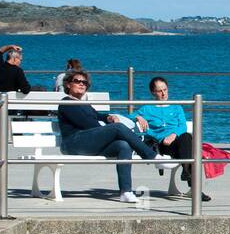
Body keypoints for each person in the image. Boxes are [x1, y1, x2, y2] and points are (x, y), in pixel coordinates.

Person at [57, 70, 157, 202]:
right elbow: (88, 123)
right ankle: (152, 156)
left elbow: (96, 116)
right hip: (72, 143)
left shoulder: (83, 104)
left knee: (123, 146)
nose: (82, 84)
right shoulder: (67, 103)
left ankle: (125, 191)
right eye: (77, 81)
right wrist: (109, 131)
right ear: (68, 85)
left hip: (87, 142)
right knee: (118, 128)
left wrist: (108, 117)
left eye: (84, 82)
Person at [134, 76, 210, 202]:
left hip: (177, 141)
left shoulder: (176, 107)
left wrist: (173, 135)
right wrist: (138, 117)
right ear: (153, 92)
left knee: (186, 137)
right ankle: (194, 186)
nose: (163, 93)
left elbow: (183, 126)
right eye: (159, 91)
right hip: (162, 144)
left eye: (165, 89)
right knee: (190, 147)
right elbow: (128, 116)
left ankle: (187, 172)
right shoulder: (147, 109)